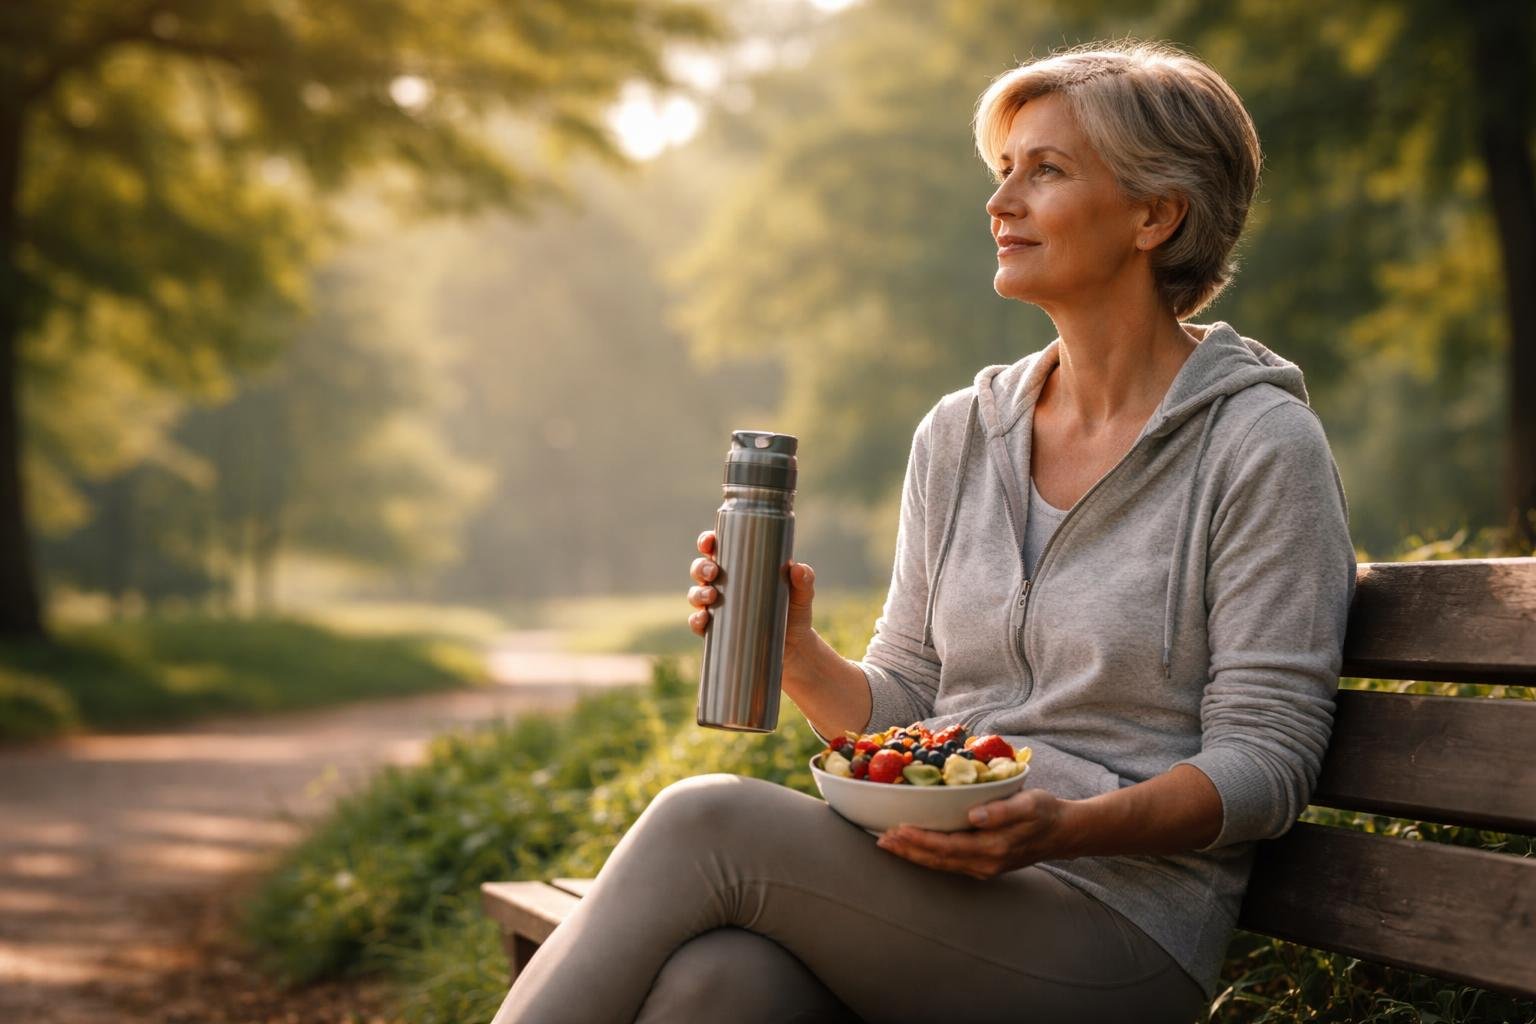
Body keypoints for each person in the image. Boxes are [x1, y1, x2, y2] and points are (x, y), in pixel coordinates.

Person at [490, 40, 1355, 1024]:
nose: (1001, 203)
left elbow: (1268, 759)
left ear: (1157, 215)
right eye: (1003, 171)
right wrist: (798, 655)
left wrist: (1063, 829)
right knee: (719, 987)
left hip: (1120, 926)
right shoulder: (961, 435)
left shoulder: (1258, 446)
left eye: (1047, 171)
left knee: (707, 818)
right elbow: (908, 706)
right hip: (938, 892)